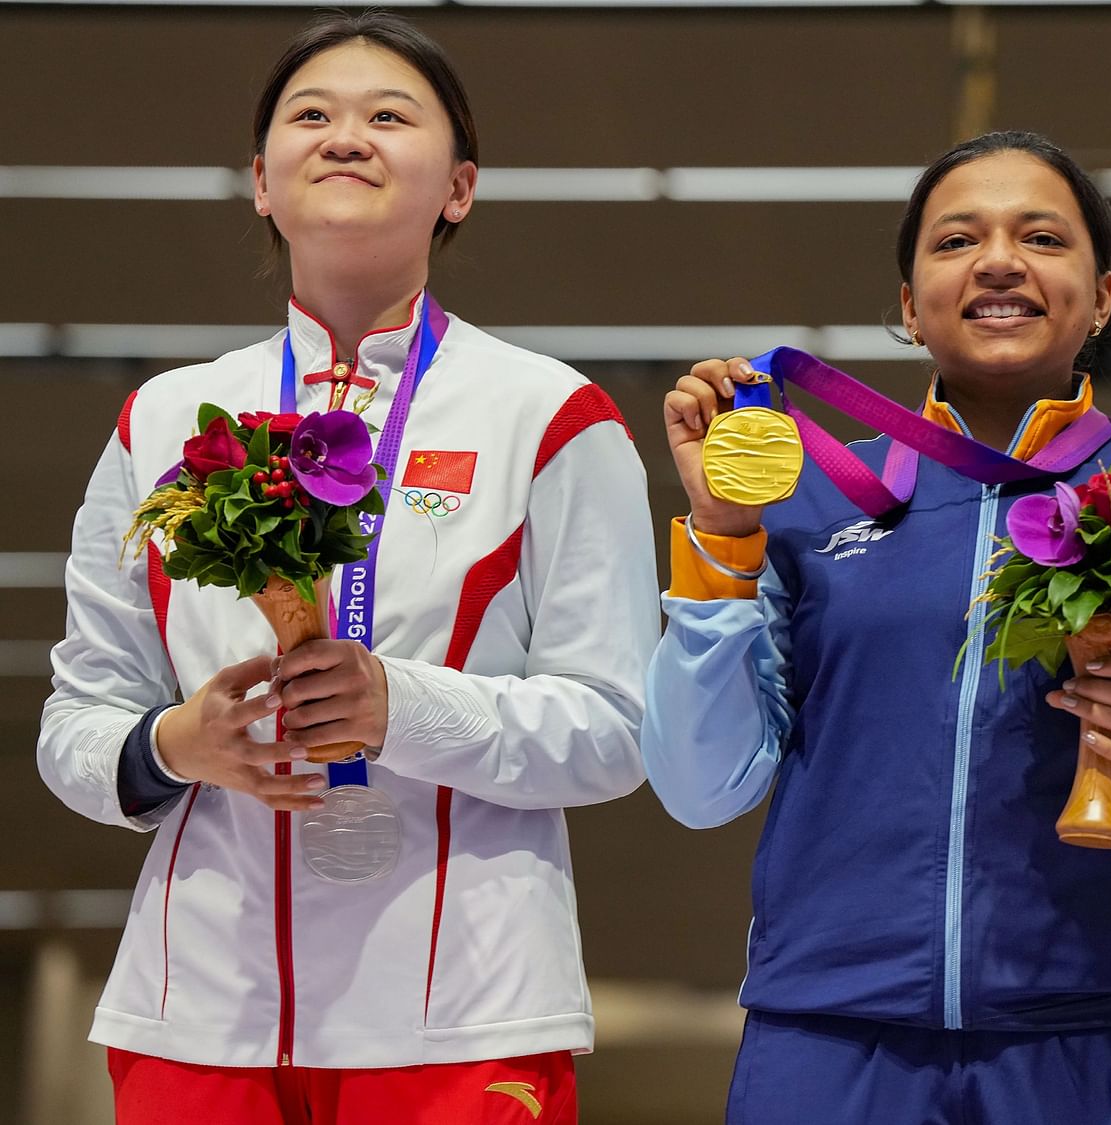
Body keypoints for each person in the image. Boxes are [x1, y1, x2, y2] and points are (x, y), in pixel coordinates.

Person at [38, 12, 656, 1123]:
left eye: (388, 116)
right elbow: (77, 722)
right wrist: (176, 744)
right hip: (195, 1012)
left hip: (461, 1015)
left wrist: (396, 705)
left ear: (459, 186)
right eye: (310, 115)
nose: (345, 136)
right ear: (261, 183)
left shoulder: (551, 415)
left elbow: (617, 730)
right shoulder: (167, 419)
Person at [644, 130, 1111, 1123]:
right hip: (831, 1038)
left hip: (1108, 1042)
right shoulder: (805, 511)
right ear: (909, 307)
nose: (999, 260)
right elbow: (698, 787)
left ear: (1100, 298)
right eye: (957, 239)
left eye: (1041, 237)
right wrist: (720, 534)